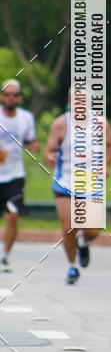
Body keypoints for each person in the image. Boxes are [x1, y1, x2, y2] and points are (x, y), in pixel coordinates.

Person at [45, 89, 111, 283]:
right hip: (65, 182)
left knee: (93, 229)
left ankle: (83, 242)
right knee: (69, 226)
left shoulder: (100, 122)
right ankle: (73, 265)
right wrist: (50, 157)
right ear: (69, 101)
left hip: (91, 182)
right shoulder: (61, 123)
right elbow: (49, 150)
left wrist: (106, 165)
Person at [0, 79, 39, 271]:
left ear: (20, 98)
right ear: (1, 97)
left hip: (15, 175)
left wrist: (35, 147)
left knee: (13, 216)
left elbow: (31, 141)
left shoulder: (26, 118)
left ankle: (5, 256)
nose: (10, 98)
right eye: (7, 95)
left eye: (14, 95)